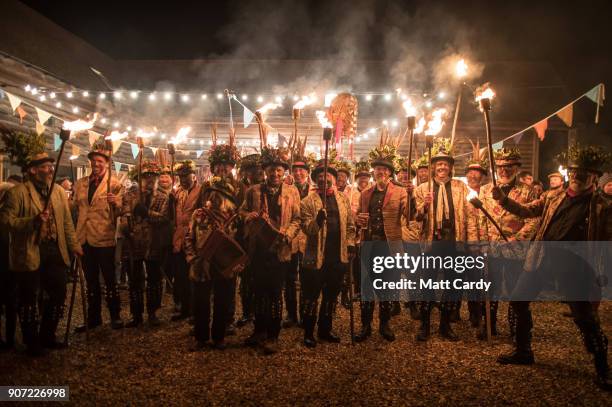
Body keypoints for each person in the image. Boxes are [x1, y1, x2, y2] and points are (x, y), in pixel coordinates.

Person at [492, 144, 611, 391]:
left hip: (575, 266)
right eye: (575, 172)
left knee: (584, 318)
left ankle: (603, 369)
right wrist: (503, 200)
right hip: (542, 258)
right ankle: (524, 351)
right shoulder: (552, 197)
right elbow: (526, 210)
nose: (577, 177)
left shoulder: (602, 206)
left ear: (594, 177)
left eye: (584, 173)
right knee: (517, 300)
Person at [0, 152, 83, 355]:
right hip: (30, 250)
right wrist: (33, 221)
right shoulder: (18, 193)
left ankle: (48, 335)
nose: (50, 170)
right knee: (28, 298)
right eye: (45, 167)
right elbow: (5, 221)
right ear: (33, 170)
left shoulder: (57, 192)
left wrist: (74, 245)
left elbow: (66, 223)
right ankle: (32, 342)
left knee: (58, 293)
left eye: (51, 167)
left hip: (55, 250)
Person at [413, 138, 477, 341]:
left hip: (454, 242)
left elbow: (471, 213)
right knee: (427, 284)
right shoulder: (423, 189)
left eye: (445, 164)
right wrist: (424, 206)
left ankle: (445, 325)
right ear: (433, 167)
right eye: (438, 163)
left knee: (452, 285)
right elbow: (415, 218)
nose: (442, 166)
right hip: (432, 243)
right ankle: (424, 325)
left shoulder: (461, 187)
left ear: (450, 167)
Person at [240, 147, 301, 354]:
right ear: (265, 171)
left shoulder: (292, 192)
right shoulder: (253, 191)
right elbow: (242, 211)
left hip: (280, 250)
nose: (275, 174)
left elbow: (297, 219)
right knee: (259, 292)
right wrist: (248, 216)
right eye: (271, 170)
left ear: (284, 172)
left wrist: (288, 234)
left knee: (275, 293)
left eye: (279, 171)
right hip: (258, 249)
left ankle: (273, 335)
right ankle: (259, 330)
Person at [477, 148, 539, 339]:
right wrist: (482, 241)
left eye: (509, 167)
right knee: (489, 287)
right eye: (501, 167)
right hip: (492, 247)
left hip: (515, 249)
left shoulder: (529, 191)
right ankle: (489, 324)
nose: (504, 171)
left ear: (517, 168)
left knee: (515, 289)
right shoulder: (486, 190)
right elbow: (480, 217)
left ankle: (515, 328)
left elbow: (534, 220)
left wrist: (517, 239)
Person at [355, 141, 410, 342]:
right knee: (367, 287)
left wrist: (412, 197)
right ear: (374, 171)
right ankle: (365, 325)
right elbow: (358, 217)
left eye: (384, 169)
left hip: (389, 246)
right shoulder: (365, 193)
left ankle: (385, 324)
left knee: (388, 287)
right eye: (377, 169)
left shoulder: (400, 192)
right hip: (369, 244)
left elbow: (409, 215)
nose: (380, 172)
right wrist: (357, 219)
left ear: (389, 173)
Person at [300, 160, 355, 347]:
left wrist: (350, 244)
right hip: (314, 257)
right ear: (316, 180)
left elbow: (350, 226)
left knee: (331, 295)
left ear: (333, 178)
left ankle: (325, 329)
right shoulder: (307, 202)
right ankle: (308, 331)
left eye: (328, 176)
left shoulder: (342, 199)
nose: (324, 179)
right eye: (320, 177)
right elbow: (307, 229)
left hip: (337, 257)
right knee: (311, 296)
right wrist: (317, 221)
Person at [185, 176, 241, 351]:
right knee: (200, 302)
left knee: (223, 301)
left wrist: (238, 263)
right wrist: (191, 257)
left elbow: (240, 242)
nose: (215, 198)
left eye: (220, 195)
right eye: (212, 194)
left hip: (225, 266)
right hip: (201, 264)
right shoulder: (199, 214)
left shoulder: (235, 217)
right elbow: (189, 237)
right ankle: (200, 337)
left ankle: (219, 337)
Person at [73, 140, 124, 331]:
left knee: (110, 279)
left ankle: (115, 315)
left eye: (100, 161)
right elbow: (73, 207)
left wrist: (116, 203)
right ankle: (93, 318)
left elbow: (121, 211)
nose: (96, 165)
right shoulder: (81, 184)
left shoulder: (115, 184)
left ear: (107, 163)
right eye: (93, 161)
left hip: (104, 238)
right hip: (84, 238)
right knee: (91, 280)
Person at [120, 161, 169, 327]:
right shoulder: (130, 195)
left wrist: (147, 212)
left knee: (154, 279)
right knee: (134, 280)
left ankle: (153, 312)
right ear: (139, 178)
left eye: (152, 177)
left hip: (153, 243)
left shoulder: (163, 197)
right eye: (145, 177)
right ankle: (136, 314)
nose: (149, 180)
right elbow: (124, 214)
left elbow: (163, 218)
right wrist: (127, 226)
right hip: (133, 243)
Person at [207, 141, 241, 335]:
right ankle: (207, 319)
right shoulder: (206, 187)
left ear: (232, 167)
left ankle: (228, 319)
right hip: (209, 239)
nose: (222, 168)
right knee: (209, 282)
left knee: (229, 282)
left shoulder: (239, 188)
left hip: (230, 240)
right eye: (219, 164)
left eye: (226, 164)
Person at [284, 152, 314, 328]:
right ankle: (291, 313)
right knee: (289, 278)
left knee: (307, 277)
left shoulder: (315, 191)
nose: (299, 174)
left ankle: (305, 313)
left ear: (307, 173)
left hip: (309, 240)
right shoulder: (286, 190)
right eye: (295, 171)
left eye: (302, 171)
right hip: (291, 238)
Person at [170, 160, 201, 321]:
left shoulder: (201, 192)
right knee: (180, 275)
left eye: (186, 176)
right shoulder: (178, 193)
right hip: (178, 238)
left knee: (193, 275)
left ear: (193, 176)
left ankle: (195, 310)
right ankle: (184, 307)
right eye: (180, 177)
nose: (183, 180)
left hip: (194, 238)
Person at [235, 153, 263, 327]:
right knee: (245, 276)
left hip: (260, 238)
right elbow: (237, 211)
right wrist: (245, 217)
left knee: (258, 276)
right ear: (245, 172)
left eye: (259, 169)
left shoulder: (265, 187)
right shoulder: (239, 188)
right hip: (243, 237)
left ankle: (258, 310)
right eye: (253, 170)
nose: (257, 173)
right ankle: (247, 311)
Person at [0, 174, 21, 350]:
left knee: (12, 303)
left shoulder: (15, 217)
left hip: (12, 266)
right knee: (9, 303)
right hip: (4, 265)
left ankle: (10, 338)